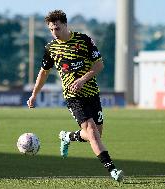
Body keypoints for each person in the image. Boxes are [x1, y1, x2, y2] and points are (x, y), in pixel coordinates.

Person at [27, 10, 123, 182]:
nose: (54, 32)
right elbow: (43, 72)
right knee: (92, 132)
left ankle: (67, 136)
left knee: (96, 135)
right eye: (51, 30)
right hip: (73, 97)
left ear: (65, 24)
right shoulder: (51, 48)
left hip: (92, 93)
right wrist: (34, 95)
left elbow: (99, 65)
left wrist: (83, 79)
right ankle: (112, 170)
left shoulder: (84, 40)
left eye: (56, 28)